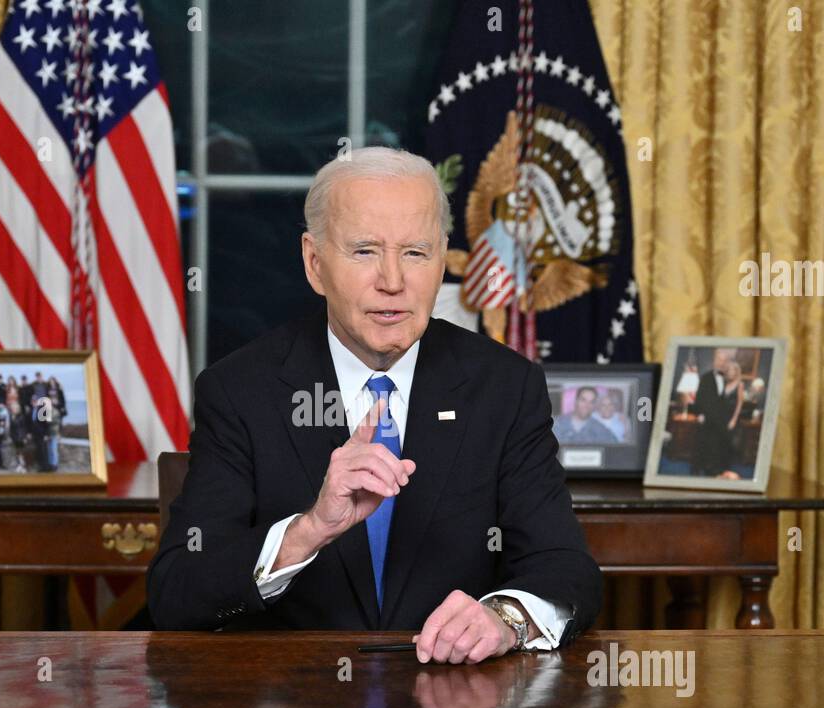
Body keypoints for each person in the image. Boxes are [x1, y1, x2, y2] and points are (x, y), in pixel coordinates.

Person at [147, 147, 601, 664]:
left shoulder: (505, 387)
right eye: (365, 251)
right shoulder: (240, 391)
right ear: (314, 264)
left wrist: (505, 619)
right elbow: (176, 593)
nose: (393, 280)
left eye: (415, 252)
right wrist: (310, 529)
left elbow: (567, 568)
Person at [687, 347, 739, 477]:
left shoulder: (730, 379)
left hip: (722, 421)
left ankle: (718, 471)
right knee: (705, 444)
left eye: (724, 360)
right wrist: (700, 415)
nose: (721, 363)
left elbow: (732, 402)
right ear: (714, 360)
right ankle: (701, 469)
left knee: (722, 446)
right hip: (709, 420)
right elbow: (699, 400)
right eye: (719, 359)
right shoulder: (706, 378)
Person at [553, 386, 618, 445]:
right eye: (583, 400)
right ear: (576, 401)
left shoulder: (601, 430)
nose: (587, 405)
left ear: (594, 405)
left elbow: (616, 449)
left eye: (591, 402)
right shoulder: (556, 424)